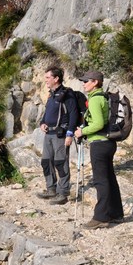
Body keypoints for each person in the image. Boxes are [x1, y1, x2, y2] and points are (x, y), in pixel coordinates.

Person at [74, 70, 123, 229]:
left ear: (95, 82)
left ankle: (101, 217)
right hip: (109, 143)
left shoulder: (95, 100)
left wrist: (82, 131)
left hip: (99, 144)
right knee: (109, 178)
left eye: (86, 81)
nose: (84, 84)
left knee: (100, 181)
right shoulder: (105, 97)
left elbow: (98, 124)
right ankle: (116, 213)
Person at [36, 66, 79, 205]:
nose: (46, 80)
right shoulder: (52, 94)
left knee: (61, 163)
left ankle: (63, 193)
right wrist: (42, 123)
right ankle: (51, 189)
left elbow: (73, 115)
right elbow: (46, 114)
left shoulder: (67, 95)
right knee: (46, 162)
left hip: (61, 134)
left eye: (48, 77)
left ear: (56, 78)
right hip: (48, 133)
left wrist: (70, 134)